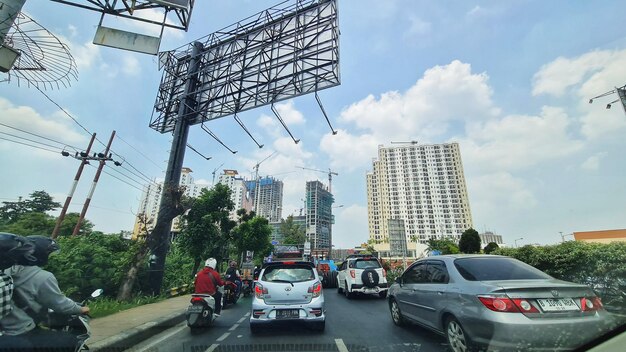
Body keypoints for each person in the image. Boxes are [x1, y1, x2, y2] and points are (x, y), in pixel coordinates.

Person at [2, 235, 90, 352]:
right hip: (20, 331)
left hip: (4, 330)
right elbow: (61, 304)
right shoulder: (43, 277)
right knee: (69, 341)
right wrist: (80, 309)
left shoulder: (5, 272)